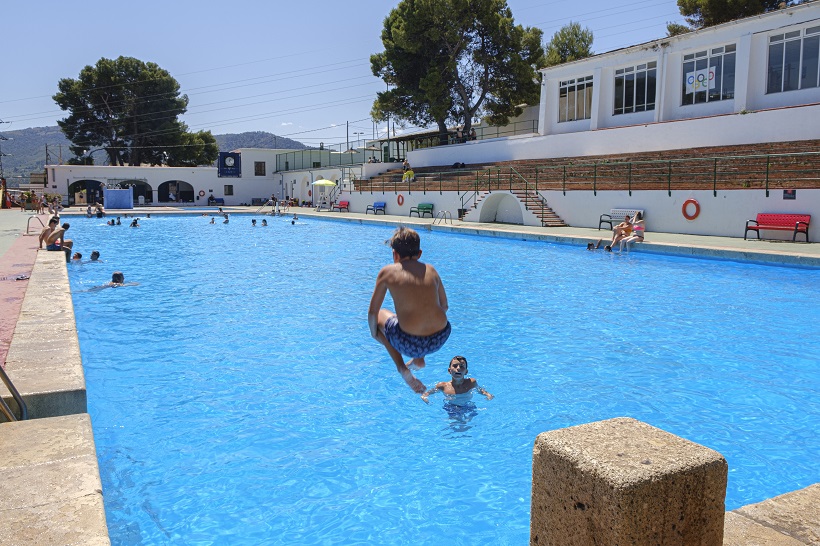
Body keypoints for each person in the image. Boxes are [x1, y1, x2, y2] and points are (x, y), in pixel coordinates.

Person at [368, 226, 450, 393]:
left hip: (408, 344)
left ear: (395, 254)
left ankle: (402, 368)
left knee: (381, 316)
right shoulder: (431, 270)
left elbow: (372, 312)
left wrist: (375, 333)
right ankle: (419, 360)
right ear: (419, 254)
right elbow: (445, 306)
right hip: (440, 337)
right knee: (416, 317)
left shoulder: (387, 272)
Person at [421, 355, 493, 404]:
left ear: (466, 372)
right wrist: (424, 397)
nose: (458, 368)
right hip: (451, 407)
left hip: (468, 405)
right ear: (449, 371)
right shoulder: (442, 386)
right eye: (455, 366)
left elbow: (480, 390)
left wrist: (488, 394)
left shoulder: (471, 383)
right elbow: (427, 393)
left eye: (462, 366)